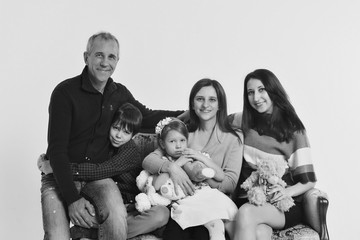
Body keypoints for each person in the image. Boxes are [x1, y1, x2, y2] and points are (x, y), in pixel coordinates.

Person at [41, 31, 185, 240]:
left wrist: (187, 114)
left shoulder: (119, 93)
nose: (105, 62)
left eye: (111, 57)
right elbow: (57, 151)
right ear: (86, 57)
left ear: (117, 60)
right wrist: (72, 199)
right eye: (99, 55)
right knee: (57, 236)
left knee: (117, 218)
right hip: (60, 176)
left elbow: (146, 117)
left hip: (98, 179)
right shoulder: (64, 93)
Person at [39, 103, 169, 239]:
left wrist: (56, 169)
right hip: (105, 207)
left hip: (132, 206)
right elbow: (81, 160)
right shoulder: (103, 144)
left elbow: (100, 170)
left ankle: (91, 233)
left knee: (161, 214)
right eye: (115, 128)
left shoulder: (130, 152)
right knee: (88, 212)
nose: (118, 135)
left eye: (126, 132)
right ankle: (103, 229)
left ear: (133, 135)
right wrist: (54, 163)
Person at [142, 78, 244, 240]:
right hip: (183, 203)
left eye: (212, 99)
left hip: (213, 207)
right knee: (175, 234)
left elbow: (229, 184)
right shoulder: (183, 135)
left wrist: (196, 177)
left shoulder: (234, 138)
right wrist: (173, 168)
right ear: (192, 104)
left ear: (220, 105)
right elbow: (149, 161)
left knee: (202, 235)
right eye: (200, 99)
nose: (205, 105)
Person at [229, 69, 317, 240]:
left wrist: (287, 192)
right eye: (250, 92)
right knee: (260, 233)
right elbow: (212, 116)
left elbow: (309, 180)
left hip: (280, 205)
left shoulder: (293, 131)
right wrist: (181, 117)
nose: (256, 98)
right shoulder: (242, 120)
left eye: (262, 90)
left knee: (246, 213)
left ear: (273, 90)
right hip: (248, 198)